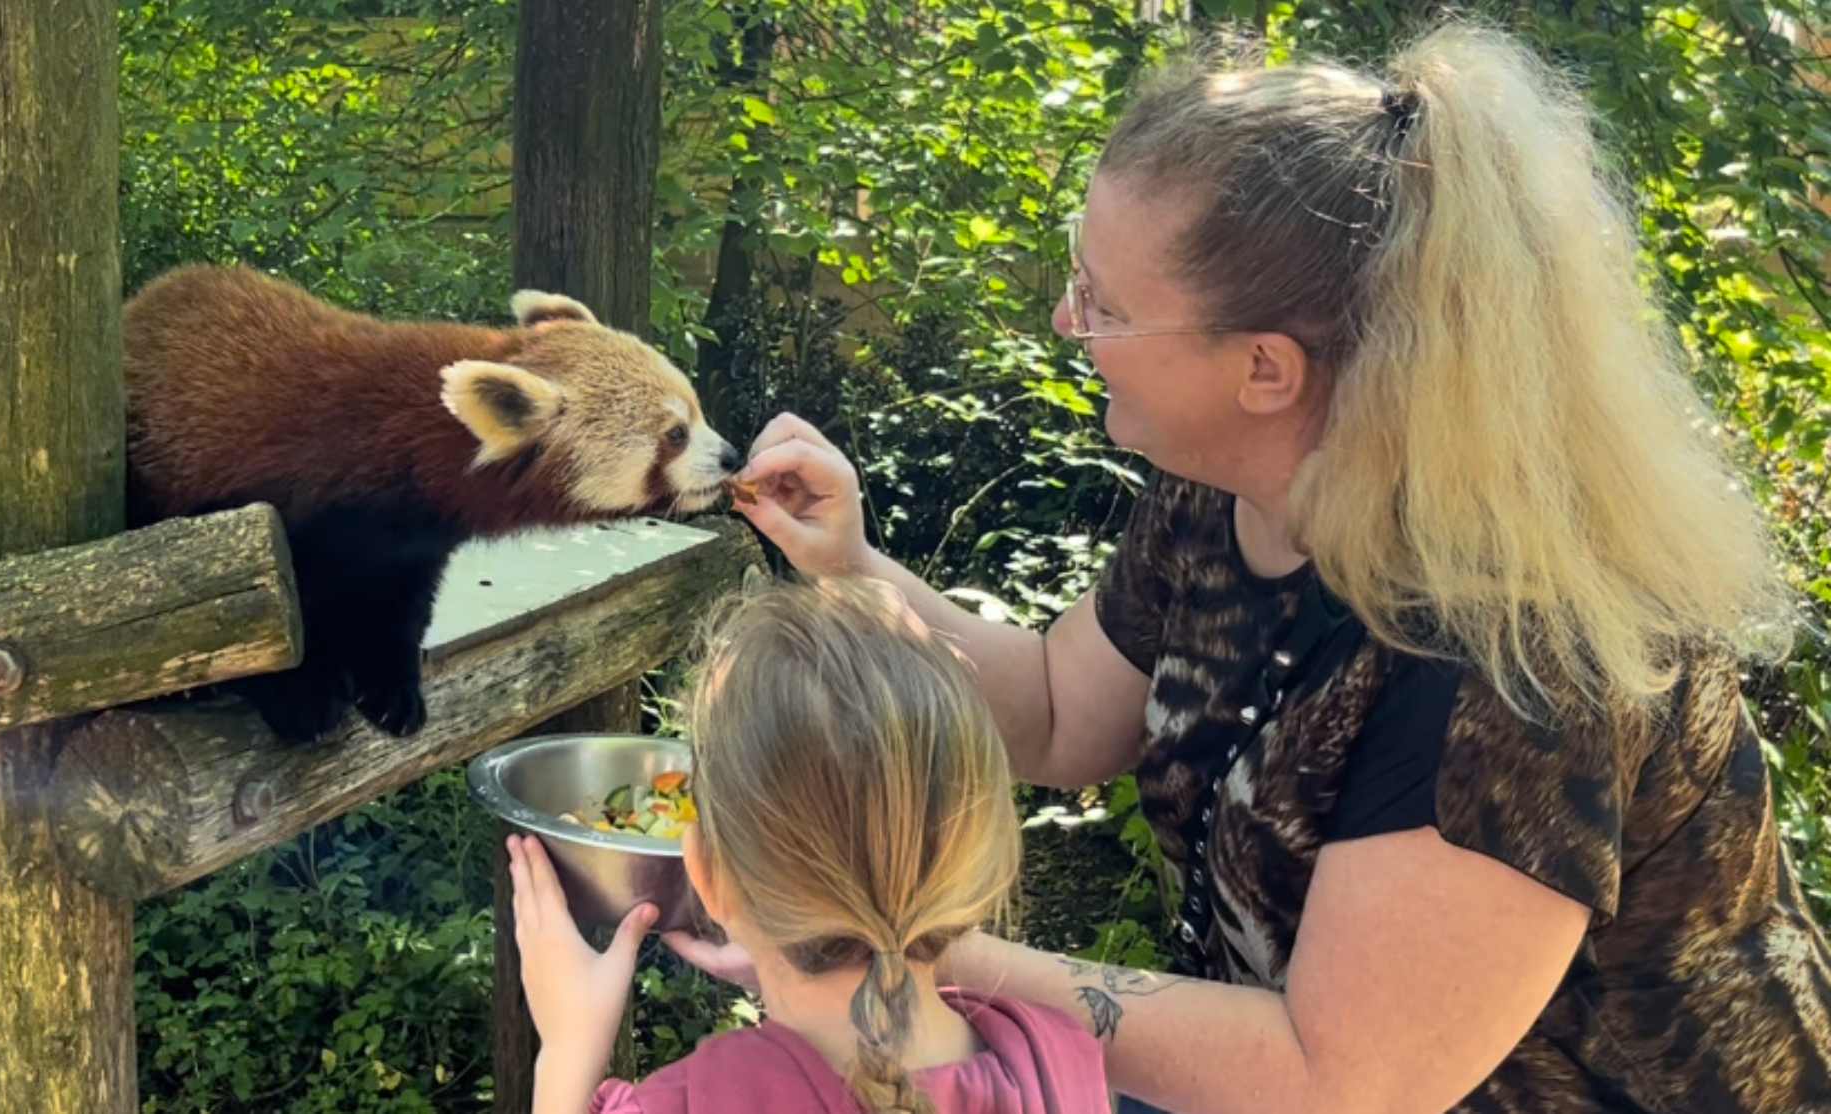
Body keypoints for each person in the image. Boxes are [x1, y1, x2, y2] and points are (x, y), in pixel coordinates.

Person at [672, 18, 1831, 1114]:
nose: (1064, 319)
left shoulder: (1515, 649)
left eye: (1105, 304)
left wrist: (900, 945)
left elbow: (1338, 1081)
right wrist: (850, 566)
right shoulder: (1223, 486)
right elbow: (1060, 712)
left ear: (1265, 368)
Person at [506, 576, 1113, 1114]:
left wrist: (567, 1054)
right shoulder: (1061, 1060)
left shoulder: (687, 1103)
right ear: (984, 857)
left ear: (706, 874)